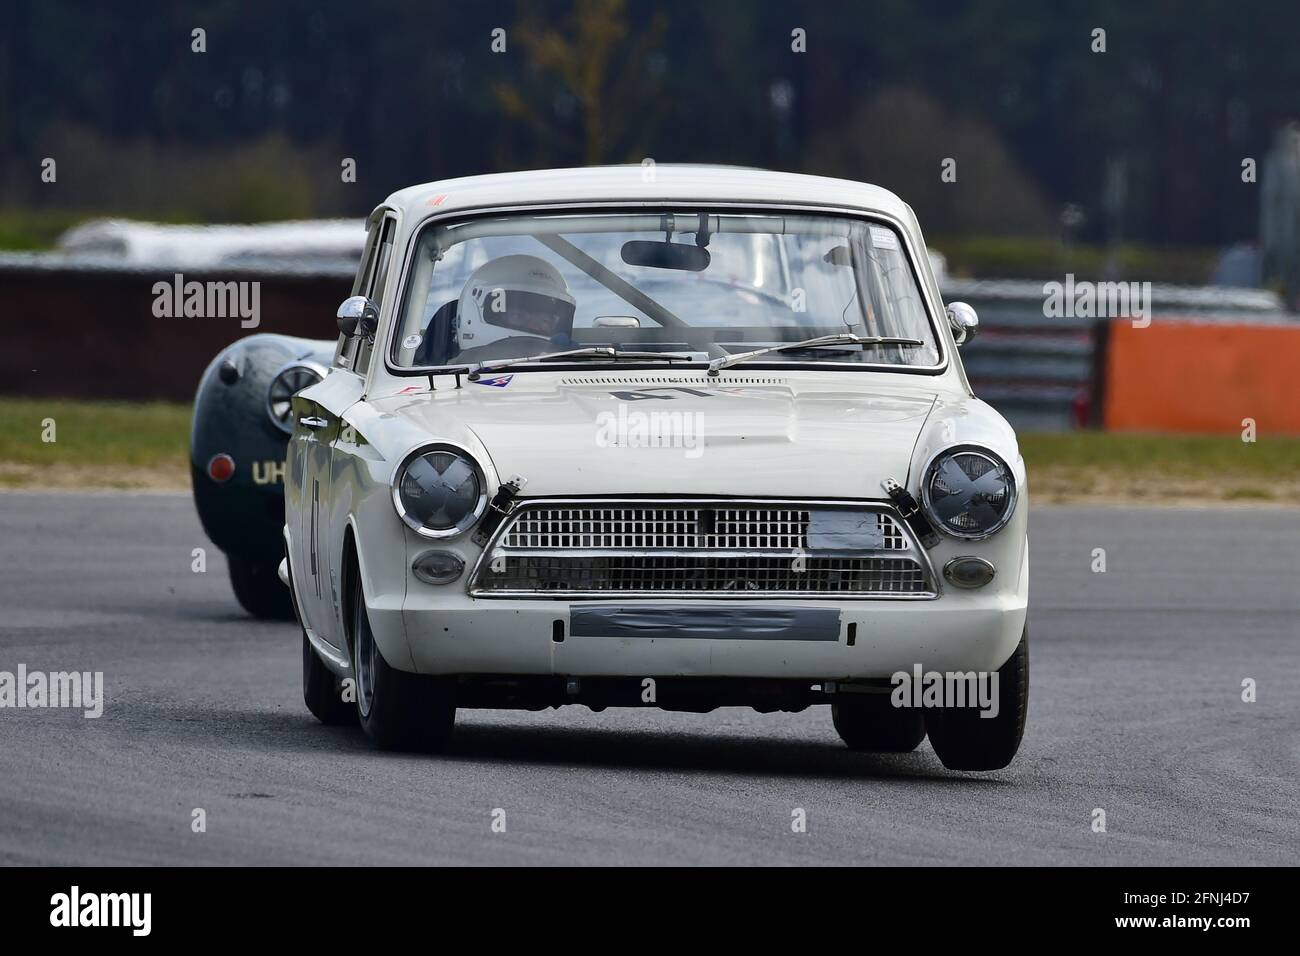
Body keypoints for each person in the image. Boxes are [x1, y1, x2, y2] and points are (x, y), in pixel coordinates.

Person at [452, 254, 577, 361]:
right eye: (518, 316)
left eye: (545, 321)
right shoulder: (448, 378)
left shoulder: (573, 370)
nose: (534, 326)